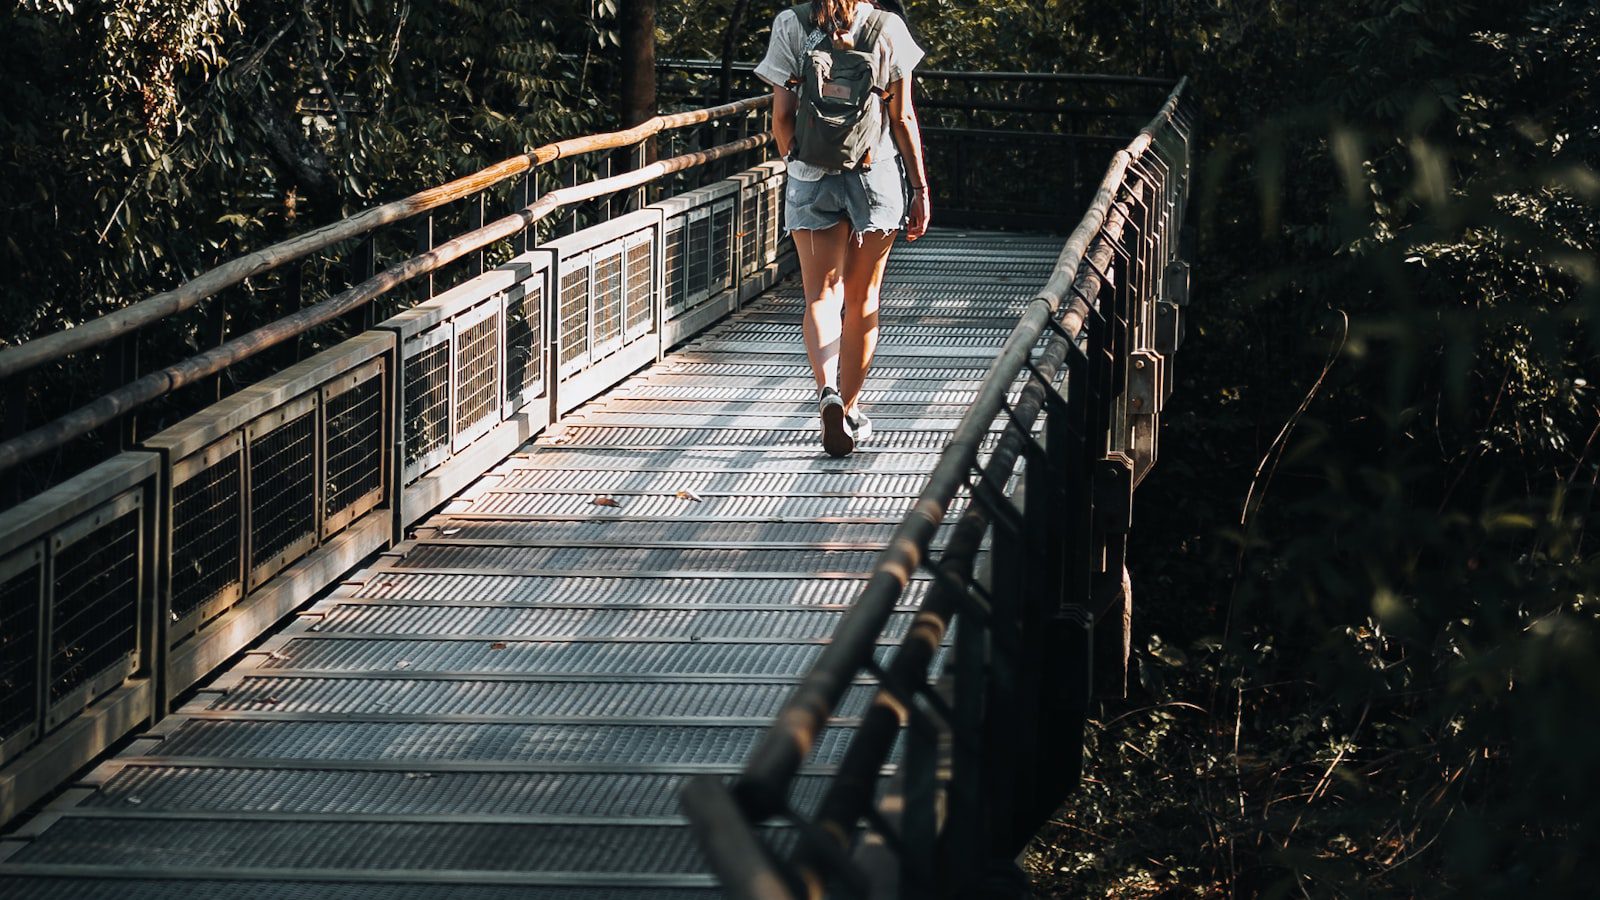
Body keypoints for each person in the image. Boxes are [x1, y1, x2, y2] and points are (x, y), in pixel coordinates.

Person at [754, 0, 930, 457]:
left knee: (820, 294)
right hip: (876, 175)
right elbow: (903, 117)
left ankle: (827, 390)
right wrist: (920, 187)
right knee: (862, 298)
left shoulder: (791, 24)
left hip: (811, 176)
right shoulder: (888, 27)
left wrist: (800, 159)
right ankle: (850, 411)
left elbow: (780, 118)